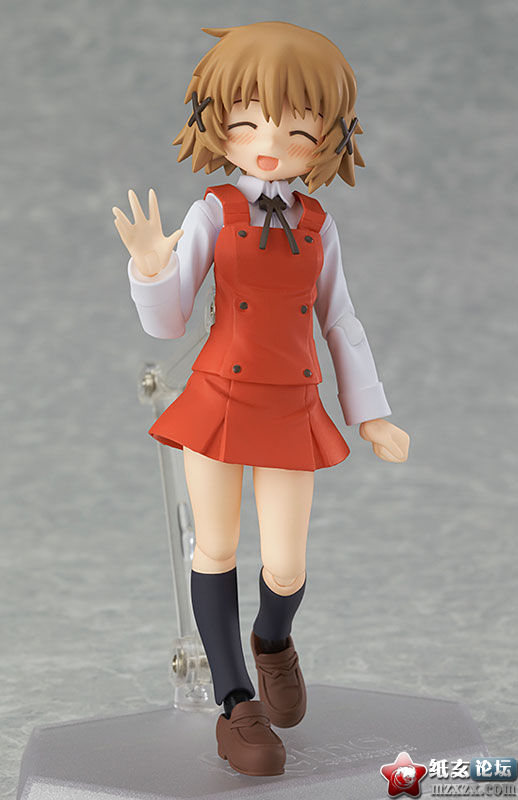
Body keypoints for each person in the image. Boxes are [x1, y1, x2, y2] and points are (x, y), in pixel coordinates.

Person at [113, 21, 410, 777]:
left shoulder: (319, 224)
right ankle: (235, 701)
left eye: (297, 127)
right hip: (218, 396)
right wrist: (150, 268)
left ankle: (272, 639)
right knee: (214, 546)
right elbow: (171, 319)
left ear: (330, 135)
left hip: (292, 404)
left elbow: (340, 319)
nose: (270, 142)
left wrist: (369, 412)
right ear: (216, 122)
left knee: (284, 564)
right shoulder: (214, 211)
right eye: (247, 122)